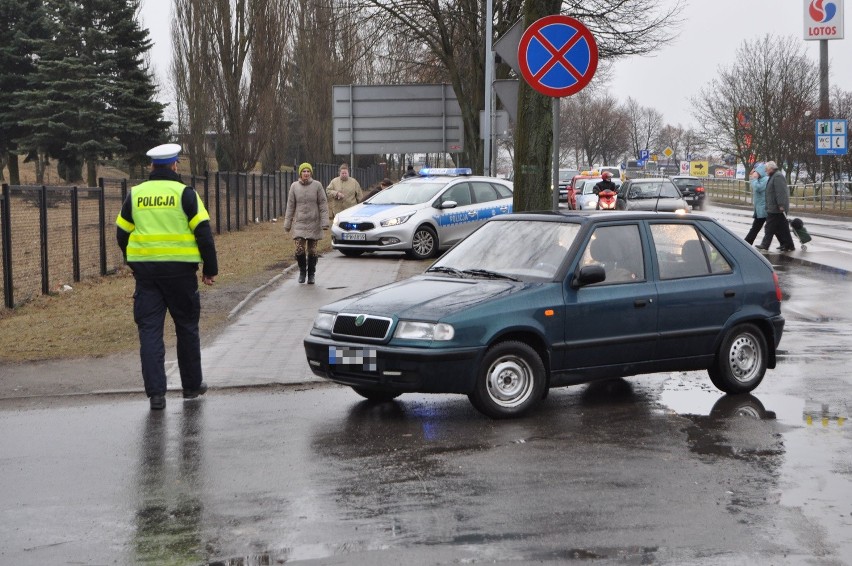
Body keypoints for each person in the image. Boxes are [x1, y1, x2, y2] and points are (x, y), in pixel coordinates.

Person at [116, 143, 218, 411]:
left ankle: (156, 396)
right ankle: (192, 386)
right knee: (186, 328)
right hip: (181, 273)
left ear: (152, 166)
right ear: (175, 166)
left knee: (150, 331)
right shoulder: (185, 193)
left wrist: (133, 261)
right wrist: (210, 269)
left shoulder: (135, 195)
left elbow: (121, 233)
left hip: (146, 275)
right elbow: (204, 234)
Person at [284, 163, 329, 284]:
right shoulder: (294, 186)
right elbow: (290, 206)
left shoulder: (317, 186)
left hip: (314, 223)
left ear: (311, 173)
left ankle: (311, 274)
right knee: (299, 249)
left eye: (308, 171)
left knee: (312, 251)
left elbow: (323, 205)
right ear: (300, 173)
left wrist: (325, 222)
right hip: (300, 223)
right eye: (303, 171)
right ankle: (302, 271)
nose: (306, 173)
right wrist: (287, 223)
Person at [756, 160, 795, 252]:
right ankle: (788, 244)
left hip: (777, 207)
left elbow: (781, 192)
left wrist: (781, 204)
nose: (766, 171)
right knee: (782, 228)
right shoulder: (774, 176)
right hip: (774, 206)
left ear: (771, 168)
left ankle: (765, 244)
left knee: (769, 227)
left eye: (766, 170)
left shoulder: (777, 176)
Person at [744, 163, 768, 245]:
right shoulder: (761, 179)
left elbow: (758, 188)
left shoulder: (765, 179)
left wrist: (754, 179)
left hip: (764, 208)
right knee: (773, 228)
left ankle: (747, 243)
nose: (754, 173)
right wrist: (754, 179)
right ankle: (786, 243)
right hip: (760, 208)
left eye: (755, 172)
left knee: (756, 227)